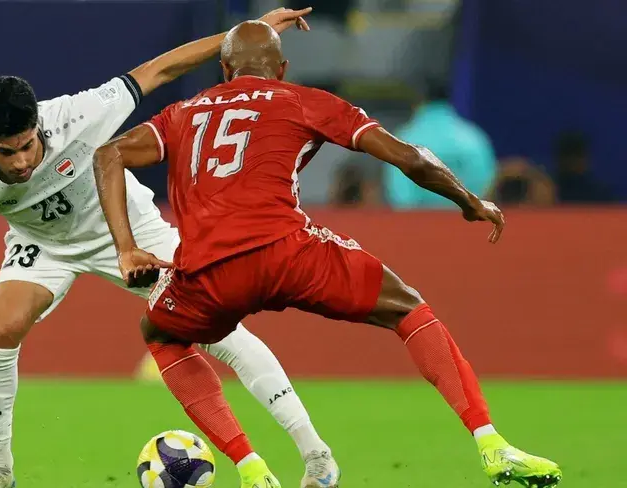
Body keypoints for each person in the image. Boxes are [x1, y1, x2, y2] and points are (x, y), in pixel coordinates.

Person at [92, 20, 562, 488]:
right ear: (282, 68)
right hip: (290, 256)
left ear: (225, 68)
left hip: (209, 271)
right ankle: (491, 442)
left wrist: (127, 248)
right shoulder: (303, 100)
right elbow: (411, 157)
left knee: (161, 334)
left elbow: (107, 154)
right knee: (407, 309)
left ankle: (252, 468)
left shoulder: (182, 112)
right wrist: (469, 201)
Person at [0, 9, 341, 488]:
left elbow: (160, 69)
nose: (20, 162)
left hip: (131, 230)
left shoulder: (79, 115)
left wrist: (238, 37)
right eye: (6, 152)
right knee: (1, 328)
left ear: (38, 122)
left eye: (26, 145)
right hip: (44, 243)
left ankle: (316, 454)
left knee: (221, 332)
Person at [383, 82, 498, 209]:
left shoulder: (405, 137)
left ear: (419, 101)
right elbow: (486, 187)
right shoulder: (473, 137)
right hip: (467, 218)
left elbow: (401, 196)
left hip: (419, 219)